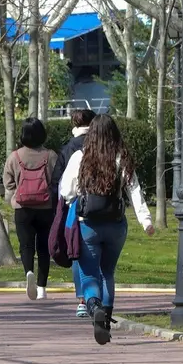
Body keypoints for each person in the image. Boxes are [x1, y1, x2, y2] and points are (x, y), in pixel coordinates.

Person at [60, 114, 154, 345]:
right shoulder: (121, 158)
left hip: (88, 225)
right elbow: (135, 191)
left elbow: (66, 191)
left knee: (90, 274)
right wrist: (146, 221)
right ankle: (107, 316)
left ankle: (94, 307)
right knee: (107, 273)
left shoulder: (80, 157)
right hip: (116, 225)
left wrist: (78, 197)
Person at [3, 117, 59, 301]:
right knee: (44, 247)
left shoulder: (15, 157)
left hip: (22, 208)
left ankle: (28, 272)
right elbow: (56, 180)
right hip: (46, 207)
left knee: (26, 245)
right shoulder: (50, 155)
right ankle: (42, 287)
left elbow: (8, 182)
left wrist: (14, 195)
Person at [60, 109, 95, 317]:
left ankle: (82, 299)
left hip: (77, 206)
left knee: (77, 252)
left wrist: (64, 202)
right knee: (103, 262)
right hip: (107, 208)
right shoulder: (105, 146)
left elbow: (63, 183)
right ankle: (102, 303)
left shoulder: (70, 148)